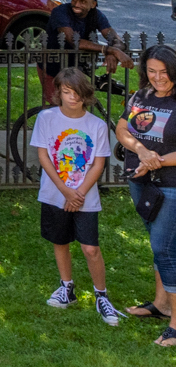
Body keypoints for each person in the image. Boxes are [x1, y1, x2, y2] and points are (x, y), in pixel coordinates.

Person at [31, 67, 119, 324]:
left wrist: (77, 194)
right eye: (67, 92)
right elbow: (43, 156)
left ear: (86, 95)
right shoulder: (46, 118)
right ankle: (66, 287)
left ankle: (101, 295)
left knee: (90, 248)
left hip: (85, 198)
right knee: (60, 240)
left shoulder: (97, 125)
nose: (72, 98)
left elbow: (98, 164)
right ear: (58, 92)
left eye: (77, 93)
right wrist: (64, 191)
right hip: (55, 193)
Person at [116, 44, 176, 348]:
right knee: (158, 244)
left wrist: (157, 161)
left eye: (163, 72)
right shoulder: (141, 96)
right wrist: (140, 150)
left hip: (171, 185)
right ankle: (161, 305)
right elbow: (122, 128)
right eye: (151, 71)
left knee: (165, 250)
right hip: (142, 180)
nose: (157, 77)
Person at [40, 0, 133, 104]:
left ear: (93, 4)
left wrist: (112, 53)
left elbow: (116, 40)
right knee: (58, 106)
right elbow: (74, 41)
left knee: (77, 105)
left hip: (77, 67)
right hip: (52, 65)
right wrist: (111, 50)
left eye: (83, 2)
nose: (76, 4)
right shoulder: (60, 12)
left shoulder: (97, 15)